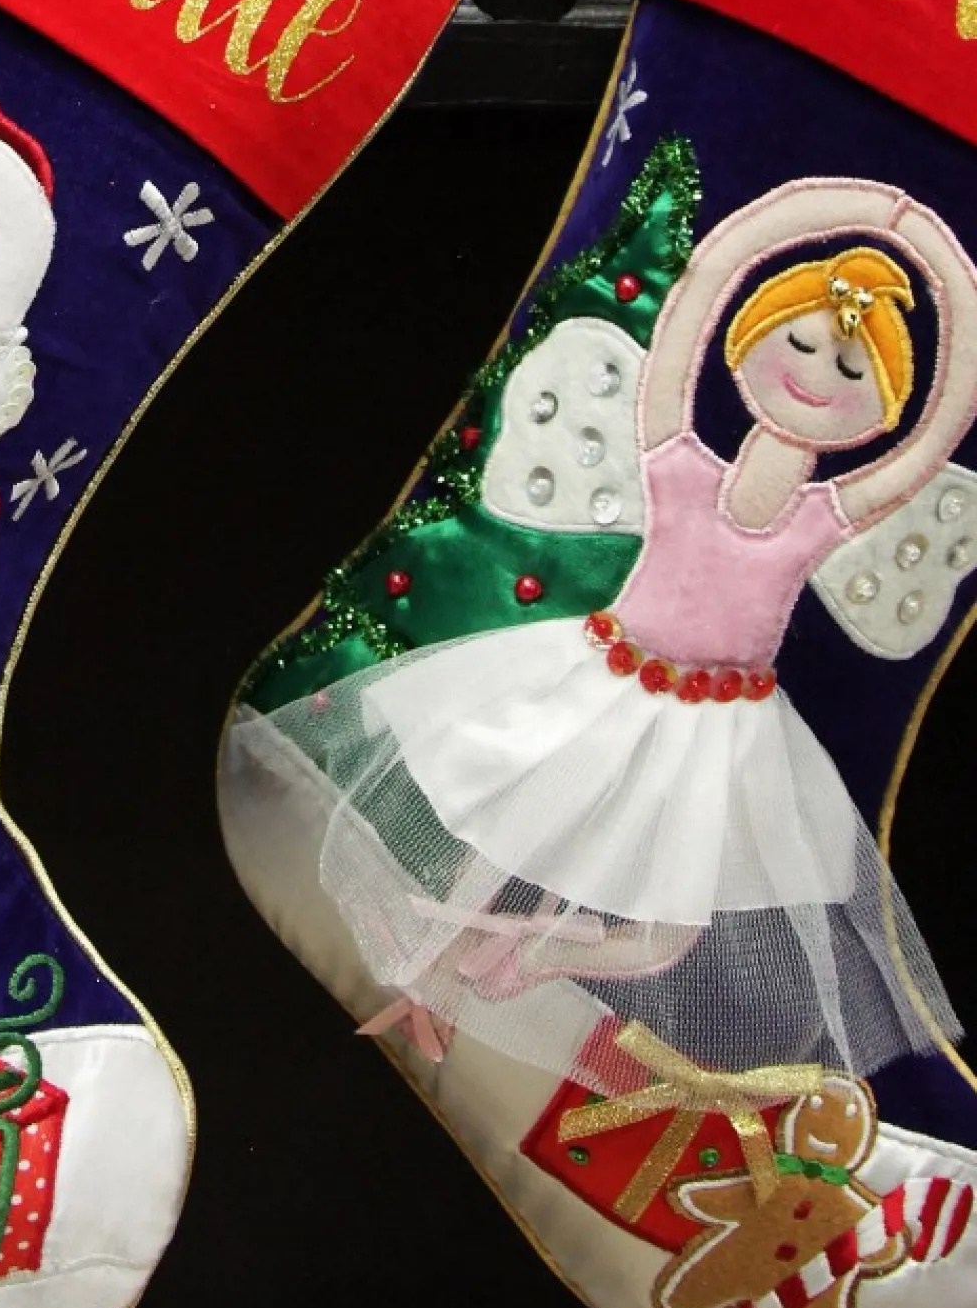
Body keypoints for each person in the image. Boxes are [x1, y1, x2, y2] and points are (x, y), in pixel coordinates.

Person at [304, 179, 977, 1083]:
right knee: (510, 822)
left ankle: (530, 958)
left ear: (883, 405)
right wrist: (852, 221)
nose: (816, 373)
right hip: (608, 678)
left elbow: (932, 443)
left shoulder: (823, 517)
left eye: (852, 371)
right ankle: (435, 970)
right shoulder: (678, 464)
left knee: (669, 927)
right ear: (749, 338)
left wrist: (933, 255)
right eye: (799, 341)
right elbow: (698, 295)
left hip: (719, 729)